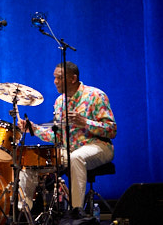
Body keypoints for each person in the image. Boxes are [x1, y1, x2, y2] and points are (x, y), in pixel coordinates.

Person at [18, 61, 116, 211]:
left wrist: (85, 122)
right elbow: (58, 137)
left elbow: (112, 130)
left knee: (76, 157)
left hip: (98, 146)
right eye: (54, 78)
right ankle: (24, 213)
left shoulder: (96, 95)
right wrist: (34, 129)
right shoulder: (59, 102)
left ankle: (76, 213)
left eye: (59, 78)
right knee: (31, 161)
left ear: (73, 78)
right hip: (68, 150)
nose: (55, 82)